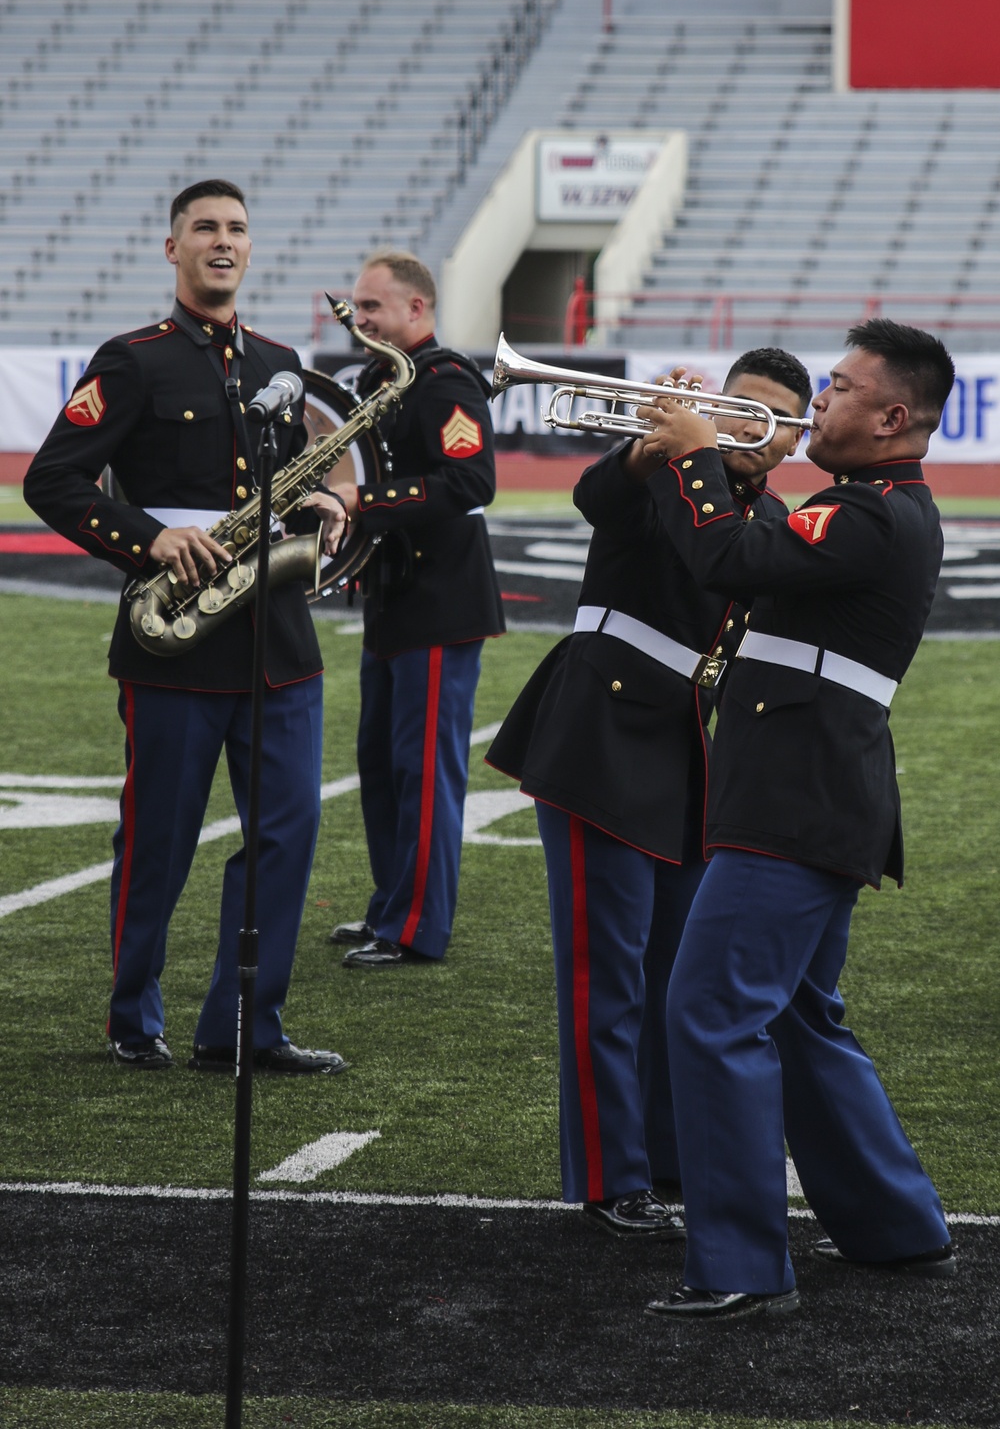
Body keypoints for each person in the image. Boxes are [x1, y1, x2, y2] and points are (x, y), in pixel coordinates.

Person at [632, 319, 956, 1321]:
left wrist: (693, 456)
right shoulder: (864, 507)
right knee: (799, 1017)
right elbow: (739, 554)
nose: (818, 400)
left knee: (711, 1012)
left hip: (793, 801)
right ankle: (893, 1225)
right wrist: (680, 463)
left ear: (891, 416)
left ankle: (738, 1264)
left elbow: (727, 557)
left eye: (838, 388)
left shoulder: (868, 514)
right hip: (813, 795)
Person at [23, 178, 349, 1074]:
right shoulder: (132, 359)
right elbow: (51, 481)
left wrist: (318, 498)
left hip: (277, 643)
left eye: (237, 229)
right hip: (174, 639)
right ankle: (134, 1015)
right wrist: (149, 538)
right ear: (173, 249)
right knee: (159, 838)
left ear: (251, 248)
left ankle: (245, 1027)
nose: (222, 240)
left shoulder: (279, 359)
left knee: (286, 836)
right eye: (204, 227)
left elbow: (277, 476)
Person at [486, 348, 812, 1238]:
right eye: (740, 406)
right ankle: (607, 1177)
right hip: (601, 733)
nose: (752, 426)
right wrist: (654, 444)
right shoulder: (664, 466)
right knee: (606, 976)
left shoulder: (771, 514)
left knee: (677, 975)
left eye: (773, 419)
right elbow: (599, 500)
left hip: (681, 748)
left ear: (792, 444)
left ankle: (670, 1159)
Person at [325, 251, 505, 968]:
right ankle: (388, 906)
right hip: (394, 595)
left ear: (416, 310)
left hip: (441, 600)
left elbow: (471, 479)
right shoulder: (376, 379)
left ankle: (417, 927)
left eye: (372, 309)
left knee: (424, 769)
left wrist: (363, 503)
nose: (358, 321)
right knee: (382, 763)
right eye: (358, 308)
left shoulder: (445, 381)